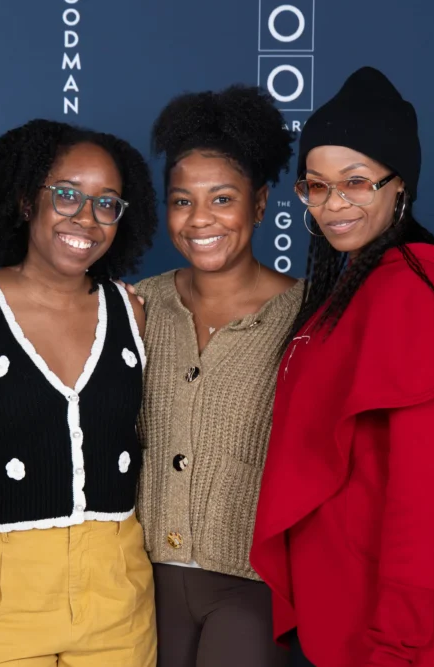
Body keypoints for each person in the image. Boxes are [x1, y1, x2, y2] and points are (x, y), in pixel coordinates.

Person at [248, 66, 434, 667]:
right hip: (355, 604)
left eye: (357, 182)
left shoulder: (413, 289)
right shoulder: (359, 285)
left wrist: (395, 643)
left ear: (400, 186)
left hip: (403, 627)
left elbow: (426, 487)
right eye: (316, 186)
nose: (334, 205)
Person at [0, 119, 159, 666]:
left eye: (107, 203)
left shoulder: (134, 313)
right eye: (68, 195)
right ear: (28, 201)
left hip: (116, 591)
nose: (87, 217)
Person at [134, 85, 299, 667]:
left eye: (222, 199)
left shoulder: (309, 317)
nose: (200, 219)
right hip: (137, 581)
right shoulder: (136, 307)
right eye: (182, 201)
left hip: (253, 585)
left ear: (259, 204)